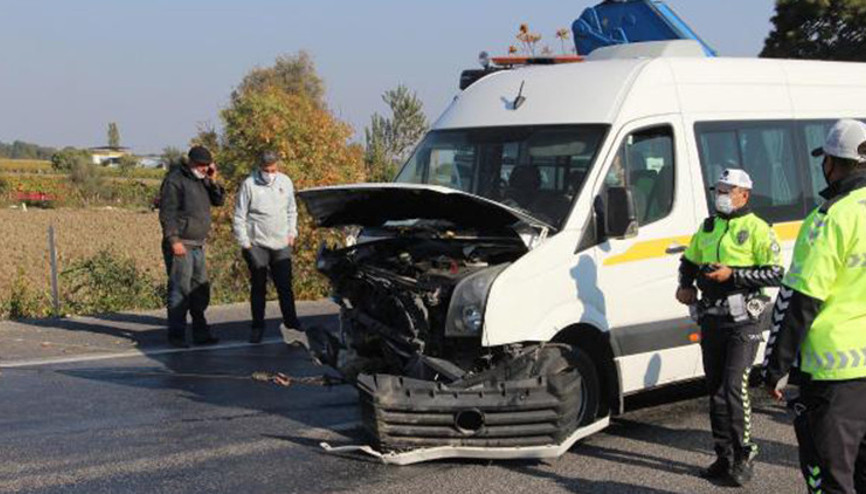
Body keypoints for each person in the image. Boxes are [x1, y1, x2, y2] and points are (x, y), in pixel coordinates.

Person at [763, 119, 866, 494]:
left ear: (831, 163)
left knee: (832, 481)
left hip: (832, 375)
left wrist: (775, 368)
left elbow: (800, 298)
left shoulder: (830, 217)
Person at [676, 168, 784, 486]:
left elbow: (776, 273)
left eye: (727, 190)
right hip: (712, 317)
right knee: (716, 391)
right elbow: (689, 260)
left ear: (744, 195)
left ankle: (744, 454)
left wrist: (733, 275)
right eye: (718, 190)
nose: (720, 195)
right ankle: (723, 456)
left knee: (734, 386)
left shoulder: (758, 228)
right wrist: (685, 284)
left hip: (744, 320)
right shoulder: (708, 226)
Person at [158, 145, 225, 347]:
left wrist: (213, 180)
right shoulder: (174, 181)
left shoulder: (203, 180)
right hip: (182, 244)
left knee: (199, 290)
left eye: (208, 166)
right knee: (180, 290)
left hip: (197, 244)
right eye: (203, 166)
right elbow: (167, 214)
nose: (205, 169)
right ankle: (177, 335)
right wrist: (174, 240)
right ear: (192, 163)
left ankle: (200, 333)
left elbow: (219, 200)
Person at [232, 150, 302, 343]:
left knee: (285, 286)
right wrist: (246, 244)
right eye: (266, 169)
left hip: (281, 244)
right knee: (258, 287)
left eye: (273, 169)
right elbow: (239, 216)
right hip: (257, 245)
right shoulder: (249, 184)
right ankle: (257, 327)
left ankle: (292, 324)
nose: (270, 173)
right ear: (260, 167)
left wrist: (291, 233)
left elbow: (291, 210)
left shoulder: (285, 182)